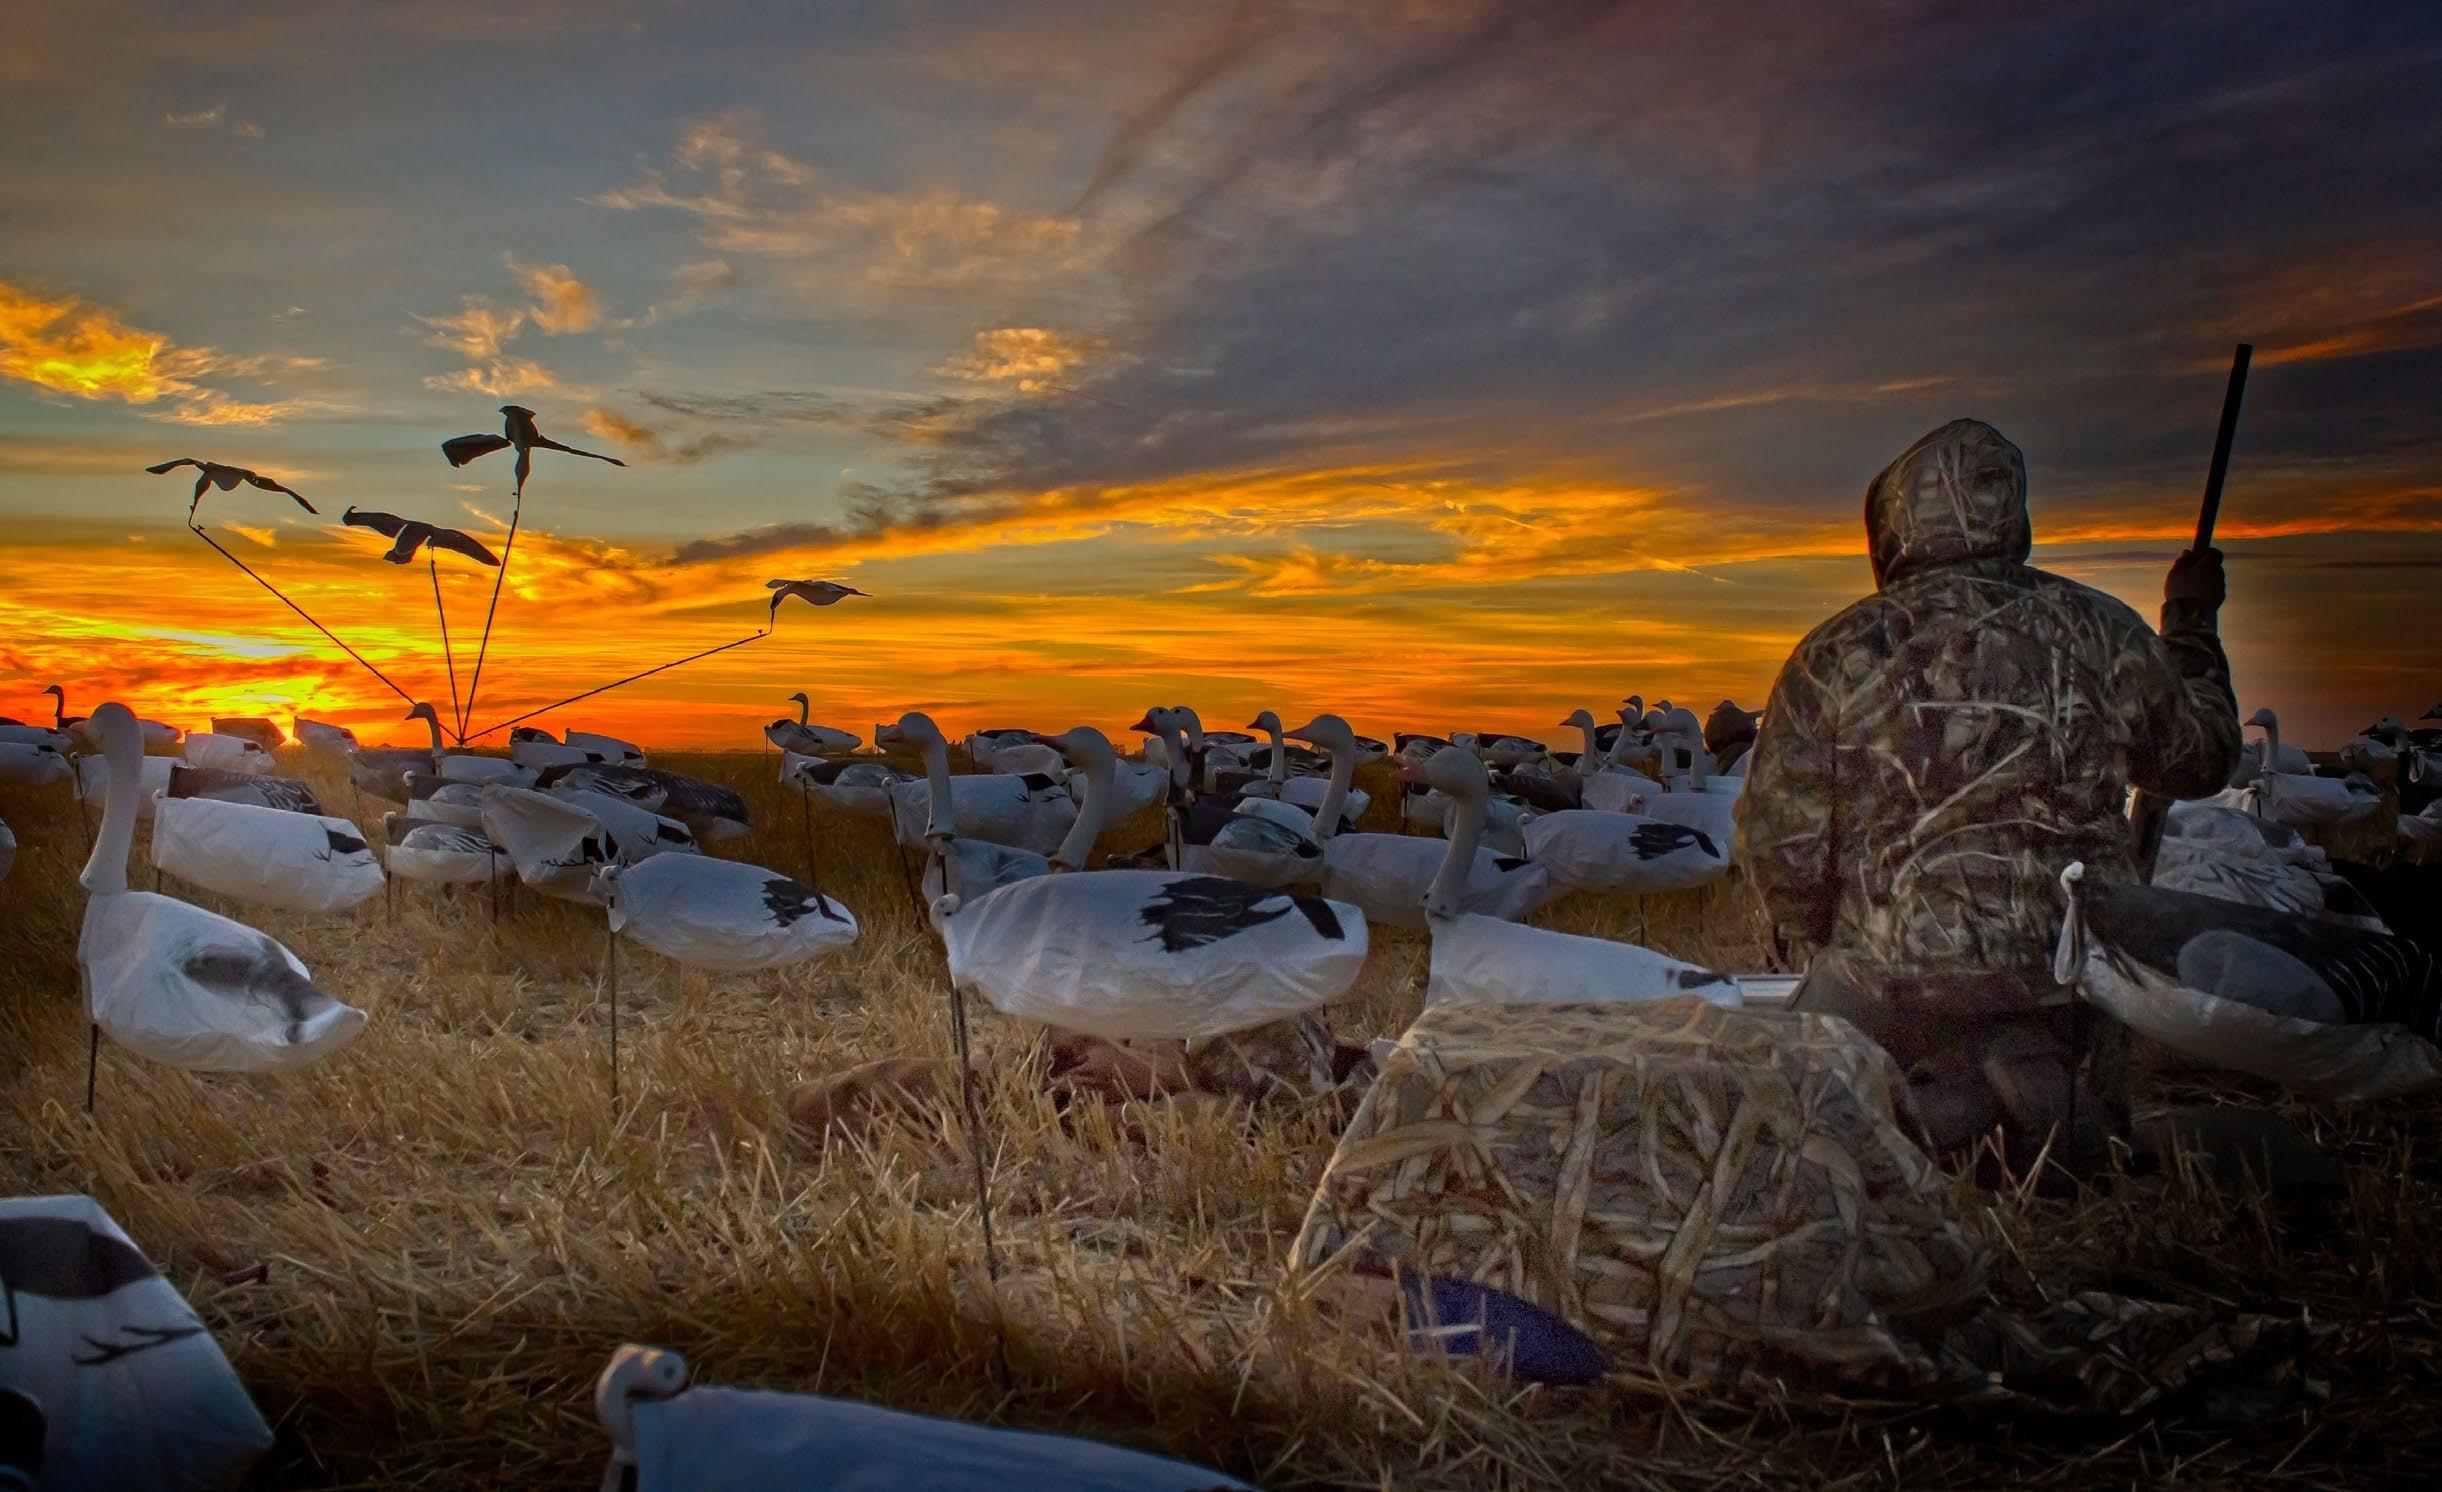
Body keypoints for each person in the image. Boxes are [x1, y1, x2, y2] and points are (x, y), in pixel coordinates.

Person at [1735, 418, 2241, 1166]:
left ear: (1893, 523)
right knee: (2086, 1140)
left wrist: (1835, 935)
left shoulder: (1835, 653)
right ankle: (2044, 1106)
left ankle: (1928, 1110)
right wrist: (2192, 625)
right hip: (2070, 980)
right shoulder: (2106, 632)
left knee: (1778, 1126)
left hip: (1891, 983)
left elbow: (1782, 849)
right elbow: (2202, 762)